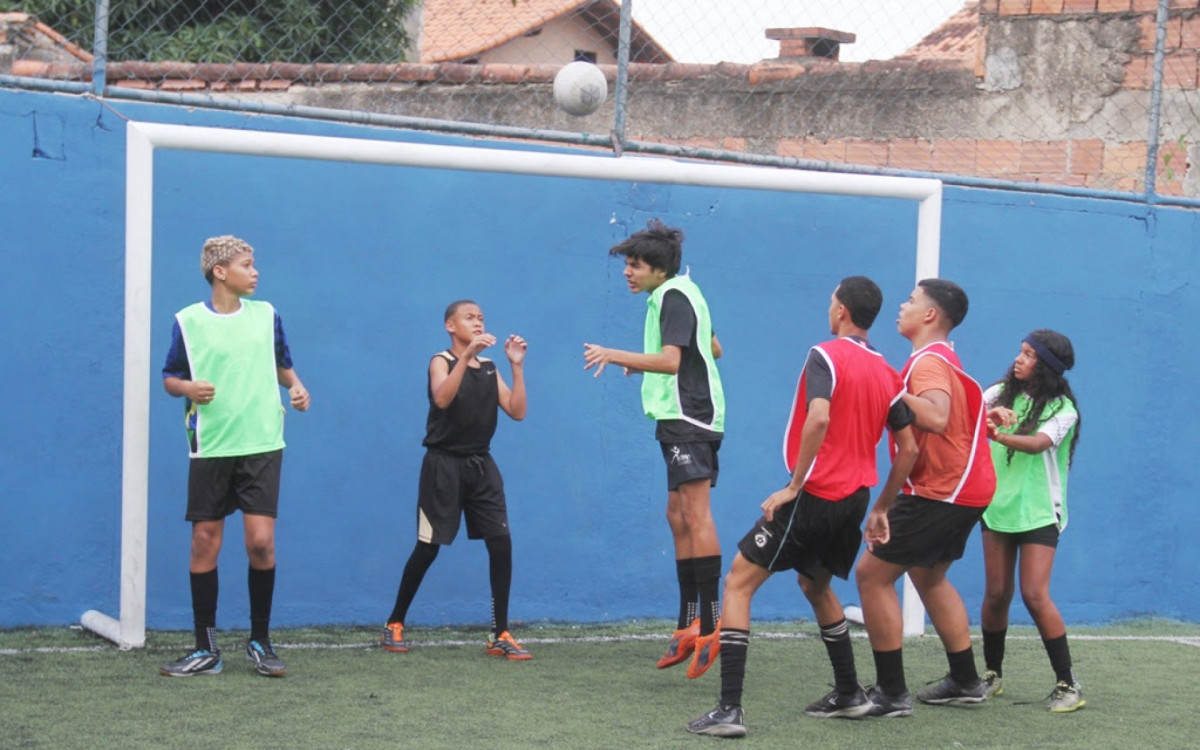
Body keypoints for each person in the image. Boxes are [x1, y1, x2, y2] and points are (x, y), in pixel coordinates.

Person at [686, 276, 919, 738]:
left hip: (815, 494)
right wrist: (881, 508)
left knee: (737, 583)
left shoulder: (825, 355)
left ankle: (729, 710)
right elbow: (908, 448)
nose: (829, 308)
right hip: (854, 501)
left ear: (842, 311)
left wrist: (795, 485)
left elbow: (819, 415)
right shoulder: (887, 372)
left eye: (832, 301)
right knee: (815, 584)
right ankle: (849, 693)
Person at [159, 235, 311, 678]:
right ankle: (205, 648)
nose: (255, 271)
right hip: (211, 445)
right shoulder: (188, 321)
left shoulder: (266, 315)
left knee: (260, 542)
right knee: (205, 540)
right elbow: (170, 377)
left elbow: (281, 363)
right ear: (220, 272)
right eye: (247, 264)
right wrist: (188, 388)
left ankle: (260, 640)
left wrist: (296, 386)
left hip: (262, 441)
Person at [583, 219, 725, 679]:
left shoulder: (673, 296)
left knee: (696, 515)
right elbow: (713, 348)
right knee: (676, 515)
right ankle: (689, 620)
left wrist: (615, 355)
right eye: (627, 264)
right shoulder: (680, 294)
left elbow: (671, 361)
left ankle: (713, 623)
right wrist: (644, 366)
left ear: (659, 270)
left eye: (636, 265)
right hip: (678, 418)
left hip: (690, 418)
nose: (628, 272)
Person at [854, 279, 996, 716]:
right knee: (928, 575)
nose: (902, 306)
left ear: (930, 314)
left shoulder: (928, 362)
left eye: (911, 300)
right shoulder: (943, 359)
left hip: (942, 490)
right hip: (967, 489)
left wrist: (888, 387)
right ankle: (966, 681)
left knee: (871, 576)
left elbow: (936, 416)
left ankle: (891, 693)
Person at [380, 300, 531, 660]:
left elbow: (517, 411)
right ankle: (394, 622)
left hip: (482, 466)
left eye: (481, 318)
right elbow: (442, 399)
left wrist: (516, 366)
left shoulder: (491, 368)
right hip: (443, 466)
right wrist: (466, 357)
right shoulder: (441, 361)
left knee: (501, 543)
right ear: (451, 325)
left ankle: (500, 633)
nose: (478, 322)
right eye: (469, 317)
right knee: (428, 548)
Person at [979, 330, 1084, 712]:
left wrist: (994, 434)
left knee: (1035, 595)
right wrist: (983, 420)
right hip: (996, 507)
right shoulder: (998, 394)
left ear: (1047, 366)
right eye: (1020, 352)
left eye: (1029, 355)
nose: (1019, 359)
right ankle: (992, 675)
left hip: (1039, 512)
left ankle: (1068, 684)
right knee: (996, 594)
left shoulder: (1063, 409)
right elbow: (965, 414)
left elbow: (1038, 443)